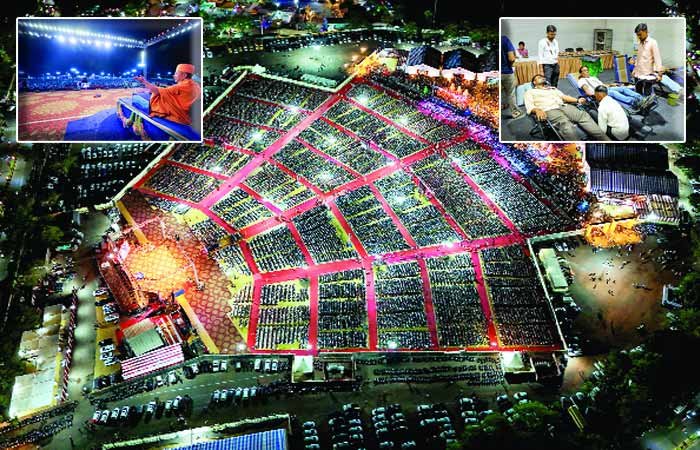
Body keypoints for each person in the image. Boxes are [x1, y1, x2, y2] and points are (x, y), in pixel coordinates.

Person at [524, 74, 610, 141]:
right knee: (565, 125)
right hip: (549, 110)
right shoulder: (530, 92)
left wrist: (577, 100)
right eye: (539, 77)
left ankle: (606, 140)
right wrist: (537, 110)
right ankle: (578, 149)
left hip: (564, 106)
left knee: (583, 115)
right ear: (534, 82)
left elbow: (564, 97)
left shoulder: (552, 89)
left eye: (543, 77)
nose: (542, 78)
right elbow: (529, 106)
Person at [134, 63, 201, 125]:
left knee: (157, 96)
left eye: (176, 73)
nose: (174, 75)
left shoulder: (182, 86)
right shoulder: (196, 86)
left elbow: (157, 91)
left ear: (184, 75)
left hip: (179, 118)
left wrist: (143, 81)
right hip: (189, 117)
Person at [630, 23, 682, 96]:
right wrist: (634, 70)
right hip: (638, 73)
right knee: (638, 91)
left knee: (647, 92)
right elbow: (638, 58)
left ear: (646, 31)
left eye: (640, 34)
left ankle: (678, 89)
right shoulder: (640, 44)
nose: (639, 37)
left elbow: (657, 59)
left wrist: (660, 74)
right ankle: (639, 101)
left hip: (648, 74)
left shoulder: (652, 42)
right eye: (637, 35)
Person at [577, 66, 654, 110]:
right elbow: (587, 92)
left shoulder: (593, 77)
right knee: (614, 93)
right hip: (599, 93)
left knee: (623, 88)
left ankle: (641, 99)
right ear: (581, 73)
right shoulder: (581, 80)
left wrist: (612, 85)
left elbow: (603, 84)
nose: (587, 71)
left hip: (605, 89)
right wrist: (596, 95)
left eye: (587, 70)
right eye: (584, 70)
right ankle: (634, 102)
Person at [501, 35, 522, 119]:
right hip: (506, 71)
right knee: (510, 93)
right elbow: (511, 58)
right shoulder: (504, 39)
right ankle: (515, 112)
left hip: (494, 72)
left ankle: (502, 106)